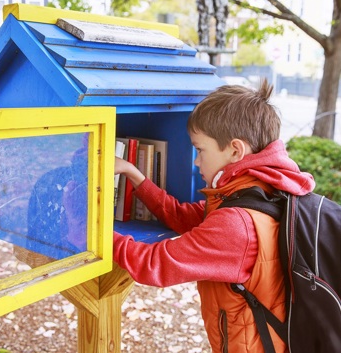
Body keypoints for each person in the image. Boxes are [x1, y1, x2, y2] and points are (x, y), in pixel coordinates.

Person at [113, 79, 315, 352]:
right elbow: (185, 217)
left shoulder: (237, 224)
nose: (196, 162)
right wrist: (133, 174)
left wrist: (91, 230)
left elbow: (154, 263)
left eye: (200, 150)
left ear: (235, 150)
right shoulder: (263, 188)